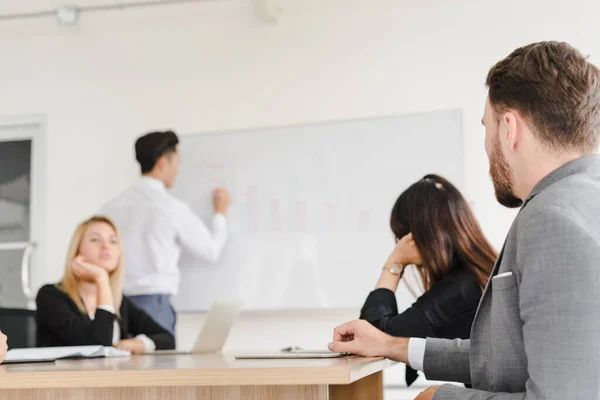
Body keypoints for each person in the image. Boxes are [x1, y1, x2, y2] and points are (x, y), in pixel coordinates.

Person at [329, 41, 600, 399]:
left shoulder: (553, 221)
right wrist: (392, 345)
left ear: (509, 129)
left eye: (485, 128)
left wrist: (437, 398)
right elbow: (507, 361)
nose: (487, 148)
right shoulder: (578, 200)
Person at [360, 174, 496, 386]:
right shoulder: (476, 276)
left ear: (416, 237)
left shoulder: (460, 289)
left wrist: (394, 263)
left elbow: (374, 336)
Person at [101, 131, 231, 337]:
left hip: (115, 304)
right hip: (154, 308)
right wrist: (220, 214)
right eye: (176, 163)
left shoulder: (110, 207)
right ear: (162, 163)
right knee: (160, 367)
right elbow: (211, 251)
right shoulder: (170, 207)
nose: (178, 170)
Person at [36, 216, 175, 353]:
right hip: (67, 376)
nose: (106, 246)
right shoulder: (50, 296)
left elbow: (167, 339)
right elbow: (97, 346)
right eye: (95, 239)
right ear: (77, 250)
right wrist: (101, 278)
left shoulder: (119, 302)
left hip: (109, 375)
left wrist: (139, 344)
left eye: (113, 241)